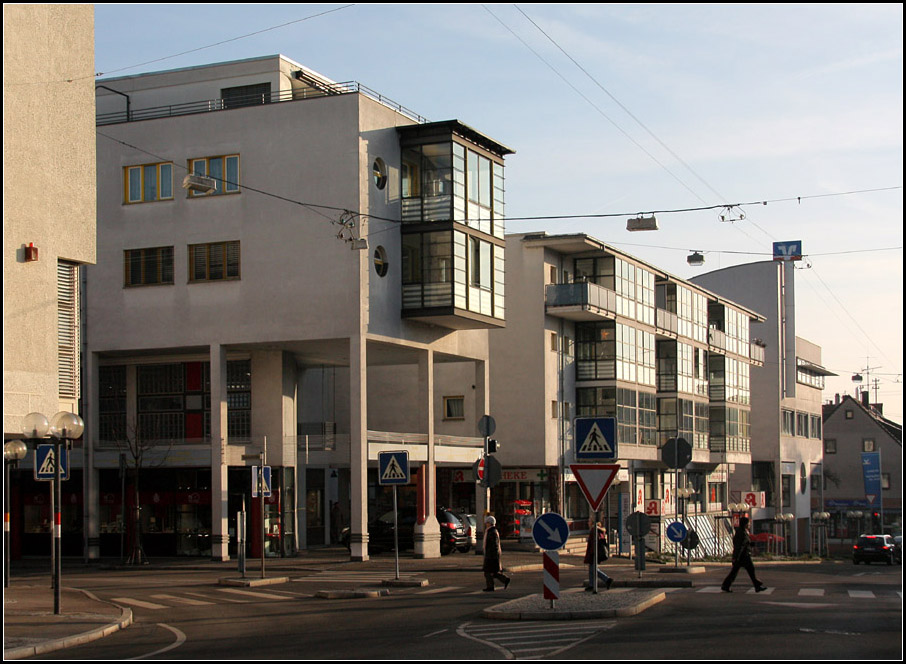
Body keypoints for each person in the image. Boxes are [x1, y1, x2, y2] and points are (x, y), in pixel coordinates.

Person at [721, 516, 767, 593]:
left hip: (742, 555)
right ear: (745, 524)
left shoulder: (743, 531)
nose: (749, 525)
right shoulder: (741, 533)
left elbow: (745, 543)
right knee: (748, 570)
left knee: (737, 571)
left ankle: (726, 585)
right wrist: (736, 557)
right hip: (743, 556)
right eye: (748, 523)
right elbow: (740, 546)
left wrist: (751, 544)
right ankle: (757, 585)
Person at [482, 516, 511, 592]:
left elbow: (494, 545)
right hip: (491, 554)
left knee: (488, 571)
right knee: (493, 572)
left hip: (491, 555)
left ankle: (491, 586)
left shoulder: (492, 532)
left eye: (487, 523)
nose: (486, 524)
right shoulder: (490, 531)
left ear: (490, 523)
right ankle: (504, 580)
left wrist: (492, 555)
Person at [584, 518, 613, 591]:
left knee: (593, 569)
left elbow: (594, 543)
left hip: (593, 553)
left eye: (589, 521)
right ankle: (591, 585)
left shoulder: (594, 531)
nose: (588, 522)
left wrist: (591, 554)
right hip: (596, 552)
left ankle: (607, 579)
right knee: (591, 569)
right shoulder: (599, 531)